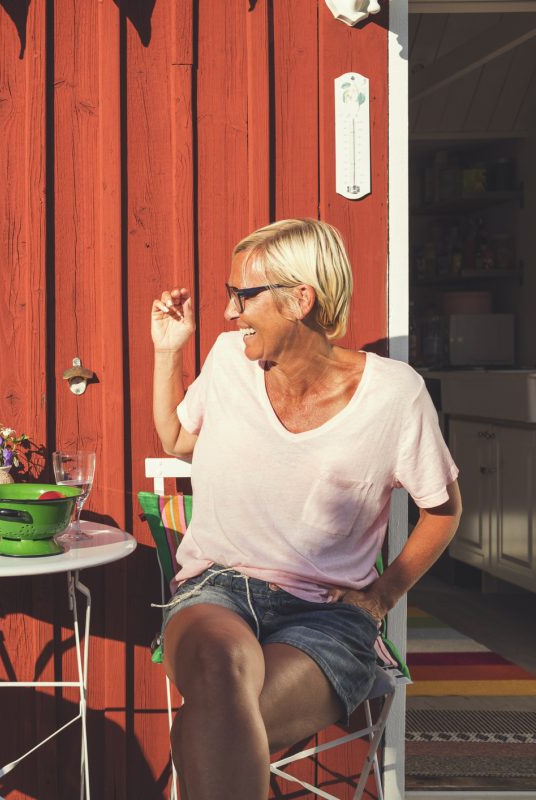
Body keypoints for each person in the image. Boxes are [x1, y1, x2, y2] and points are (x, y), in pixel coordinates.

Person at [150, 219, 461, 800]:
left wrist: (384, 594)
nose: (227, 313)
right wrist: (168, 352)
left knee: (209, 729)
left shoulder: (395, 395)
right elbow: (176, 440)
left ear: (300, 299)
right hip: (217, 589)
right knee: (219, 672)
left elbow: (441, 511)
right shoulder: (227, 360)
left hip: (328, 614)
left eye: (242, 295)